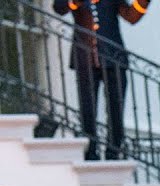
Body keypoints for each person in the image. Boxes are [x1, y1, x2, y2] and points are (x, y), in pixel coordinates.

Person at [53, 0, 151, 161]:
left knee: (116, 109)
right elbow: (59, 8)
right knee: (88, 109)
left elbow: (131, 17)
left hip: (114, 59)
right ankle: (90, 151)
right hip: (85, 59)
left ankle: (113, 152)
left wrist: (143, 2)